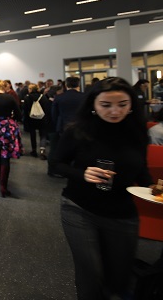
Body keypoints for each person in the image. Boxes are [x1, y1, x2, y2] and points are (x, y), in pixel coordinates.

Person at [52, 77, 154, 300]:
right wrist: (82, 174)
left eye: (122, 104)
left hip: (122, 212)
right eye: (106, 105)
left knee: (119, 277)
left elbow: (141, 170)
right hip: (79, 208)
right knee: (90, 273)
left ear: (131, 104)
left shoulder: (137, 132)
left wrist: (154, 188)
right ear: (94, 105)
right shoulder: (78, 131)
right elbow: (56, 164)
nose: (115, 111)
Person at [49, 77, 86, 177]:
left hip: (63, 126)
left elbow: (54, 114)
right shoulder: (84, 96)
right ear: (78, 84)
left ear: (66, 85)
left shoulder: (59, 97)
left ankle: (64, 170)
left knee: (64, 148)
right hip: (81, 126)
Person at [22, 84, 50, 159]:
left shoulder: (27, 97)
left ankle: (34, 150)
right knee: (43, 134)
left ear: (30, 89)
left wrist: (25, 121)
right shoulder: (43, 97)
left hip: (31, 119)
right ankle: (42, 150)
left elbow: (25, 110)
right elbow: (47, 108)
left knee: (32, 135)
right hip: (42, 118)